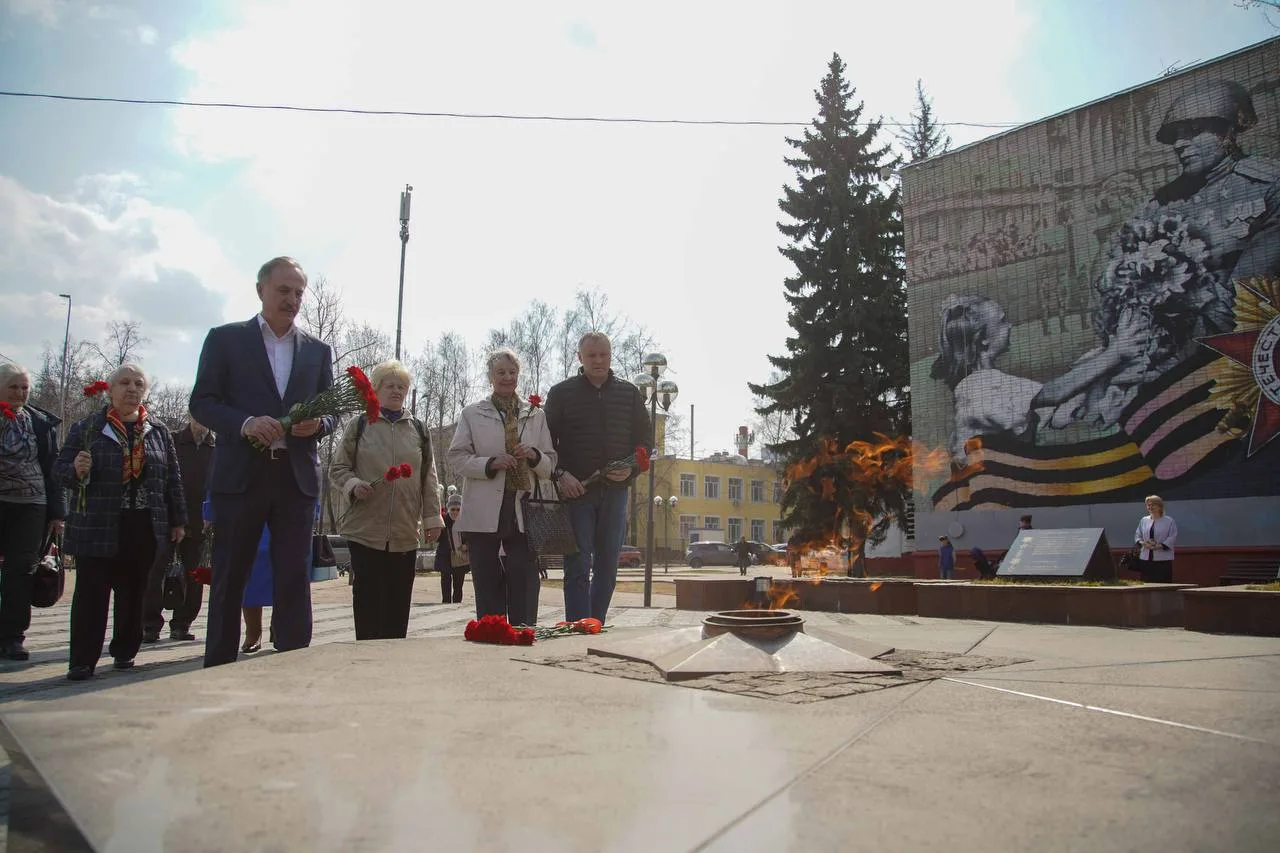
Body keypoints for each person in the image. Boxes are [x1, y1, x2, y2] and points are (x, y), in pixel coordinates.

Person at [189, 256, 335, 667]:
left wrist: (319, 424)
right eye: (284, 290)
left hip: (295, 480)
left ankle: (291, 663)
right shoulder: (225, 339)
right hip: (241, 477)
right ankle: (218, 662)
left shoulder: (317, 350)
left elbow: (332, 412)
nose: (292, 300)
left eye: (299, 293)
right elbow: (202, 403)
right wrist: (246, 423)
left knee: (293, 577)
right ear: (261, 290)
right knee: (230, 575)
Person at [56, 364, 186, 681]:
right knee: (91, 593)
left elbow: (172, 480)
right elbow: (59, 473)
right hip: (96, 524)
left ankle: (125, 652)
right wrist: (75, 469)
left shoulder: (158, 431)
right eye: (124, 383)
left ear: (145, 392)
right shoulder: (88, 428)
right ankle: (82, 660)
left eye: (138, 383)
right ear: (111, 390)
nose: (131, 389)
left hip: (142, 525)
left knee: (134, 592)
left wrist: (178, 520)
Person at [931, 295, 1143, 461]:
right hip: (983, 483)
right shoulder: (979, 386)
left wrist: (1098, 359)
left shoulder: (986, 381)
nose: (1010, 326)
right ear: (983, 340)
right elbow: (1053, 394)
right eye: (1002, 321)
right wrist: (1114, 353)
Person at [330, 359, 443, 639]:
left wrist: (432, 518)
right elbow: (338, 469)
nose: (396, 391)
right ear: (376, 388)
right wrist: (354, 485)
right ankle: (366, 663)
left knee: (398, 605)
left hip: (405, 530)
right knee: (368, 603)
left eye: (402, 387)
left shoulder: (418, 429)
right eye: (390, 385)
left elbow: (428, 477)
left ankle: (393, 666)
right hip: (366, 530)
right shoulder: (360, 425)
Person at [545, 332, 650, 623]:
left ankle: (595, 623)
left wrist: (632, 469)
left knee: (607, 566)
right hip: (577, 492)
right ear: (580, 358)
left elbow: (645, 442)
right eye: (591, 355)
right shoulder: (561, 394)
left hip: (616, 493)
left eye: (603, 354)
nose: (598, 360)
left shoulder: (629, 394)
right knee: (577, 563)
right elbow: (546, 445)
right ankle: (579, 626)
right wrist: (561, 475)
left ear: (611, 355)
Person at [447, 349, 556, 627]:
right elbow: (457, 458)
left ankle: (523, 630)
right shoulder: (472, 413)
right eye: (501, 373)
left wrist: (533, 456)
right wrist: (490, 463)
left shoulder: (535, 415)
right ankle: (491, 632)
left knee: (525, 576)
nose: (507, 378)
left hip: (523, 507)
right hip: (484, 508)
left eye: (512, 372)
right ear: (490, 377)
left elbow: (550, 464)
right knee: (486, 577)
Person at [0, 362, 65, 661]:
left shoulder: (39, 422)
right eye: (13, 386)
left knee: (21, 570)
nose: (20, 393)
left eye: (24, 387)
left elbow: (52, 467)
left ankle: (13, 637)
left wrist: (57, 512)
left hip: (32, 505)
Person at [143, 414, 214, 643]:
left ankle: (181, 624)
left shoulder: (217, 448)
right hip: (168, 518)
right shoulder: (172, 440)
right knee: (154, 573)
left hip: (200, 521)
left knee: (194, 575)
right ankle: (150, 625)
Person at [434, 493, 469, 603]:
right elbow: (437, 538)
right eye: (452, 509)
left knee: (458, 584)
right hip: (445, 555)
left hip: (459, 557)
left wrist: (466, 545)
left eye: (458, 509)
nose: (455, 512)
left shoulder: (466, 522)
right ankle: (446, 602)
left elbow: (472, 537)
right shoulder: (443, 521)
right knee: (445, 580)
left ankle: (457, 604)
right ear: (449, 509)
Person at [1134, 494, 1177, 583]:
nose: (1150, 507)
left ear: (1159, 506)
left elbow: (1172, 536)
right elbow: (1138, 535)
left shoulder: (1169, 521)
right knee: (1146, 584)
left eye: (1153, 504)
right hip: (1146, 558)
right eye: (1148, 505)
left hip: (1163, 560)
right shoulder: (1144, 520)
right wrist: (1143, 543)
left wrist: (1159, 546)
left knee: (1162, 584)